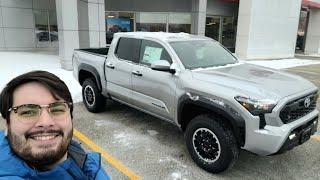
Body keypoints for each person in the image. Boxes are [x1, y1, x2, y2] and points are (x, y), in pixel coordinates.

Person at [0, 70, 109, 179]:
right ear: (7, 124)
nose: (46, 122)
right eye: (27, 111)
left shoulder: (84, 162)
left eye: (57, 109)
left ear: (70, 117)